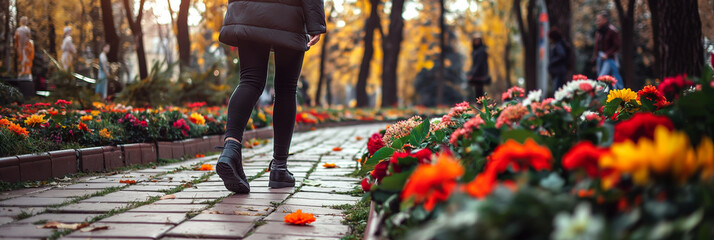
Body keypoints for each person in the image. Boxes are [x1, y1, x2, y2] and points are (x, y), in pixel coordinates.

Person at [217, 0, 326, 193]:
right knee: (286, 88)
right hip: (289, 15)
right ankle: (279, 168)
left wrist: (237, 10)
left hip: (249, 10)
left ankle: (230, 149)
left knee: (249, 80)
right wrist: (315, 23)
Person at [593, 11, 624, 89]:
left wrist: (607, 54)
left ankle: (619, 94)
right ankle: (606, 96)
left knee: (603, 77)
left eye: (599, 19)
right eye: (597, 19)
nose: (597, 22)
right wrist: (595, 57)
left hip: (609, 58)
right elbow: (597, 46)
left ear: (605, 20)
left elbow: (617, 46)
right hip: (600, 58)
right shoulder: (599, 32)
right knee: (606, 77)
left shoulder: (612, 31)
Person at [467, 33, 490, 100]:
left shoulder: (481, 50)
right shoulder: (474, 51)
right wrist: (471, 72)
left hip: (480, 72)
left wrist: (473, 73)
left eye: (478, 40)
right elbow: (474, 63)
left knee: (480, 89)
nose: (476, 42)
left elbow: (479, 63)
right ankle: (479, 104)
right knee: (477, 89)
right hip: (476, 72)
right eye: (475, 40)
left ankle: (481, 105)